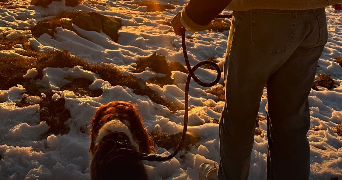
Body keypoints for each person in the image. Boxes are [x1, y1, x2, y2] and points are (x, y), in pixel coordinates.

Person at [171, 0, 342, 180]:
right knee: (291, 122)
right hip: (314, 19)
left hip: (261, 18)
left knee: (239, 116)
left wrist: (191, 16)